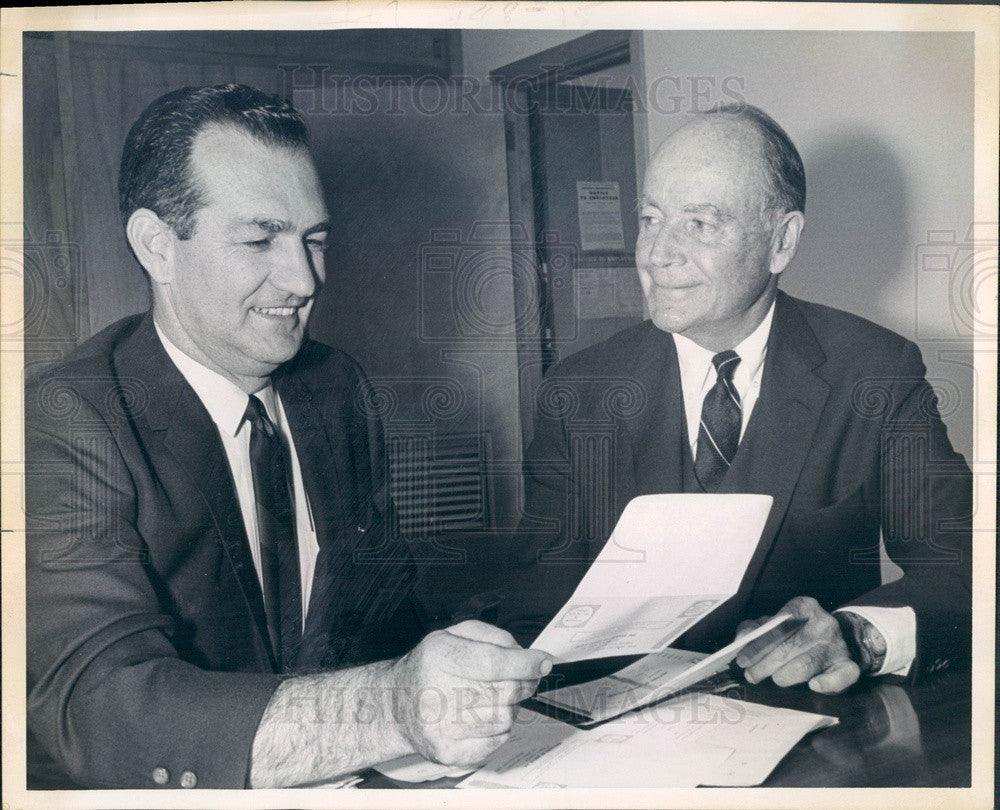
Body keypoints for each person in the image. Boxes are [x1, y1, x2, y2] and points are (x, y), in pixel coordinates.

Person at [25, 83, 550, 790]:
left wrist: (467, 661)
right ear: (157, 246)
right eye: (258, 238)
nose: (304, 279)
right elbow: (108, 709)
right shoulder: (67, 419)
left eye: (315, 239)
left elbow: (384, 619)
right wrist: (392, 705)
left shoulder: (337, 388)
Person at [500, 104, 971, 695]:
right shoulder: (578, 393)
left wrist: (856, 635)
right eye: (650, 218)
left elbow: (966, 566)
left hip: (816, 741)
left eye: (699, 224)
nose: (655, 253)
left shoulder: (875, 373)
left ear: (781, 242)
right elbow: (531, 614)